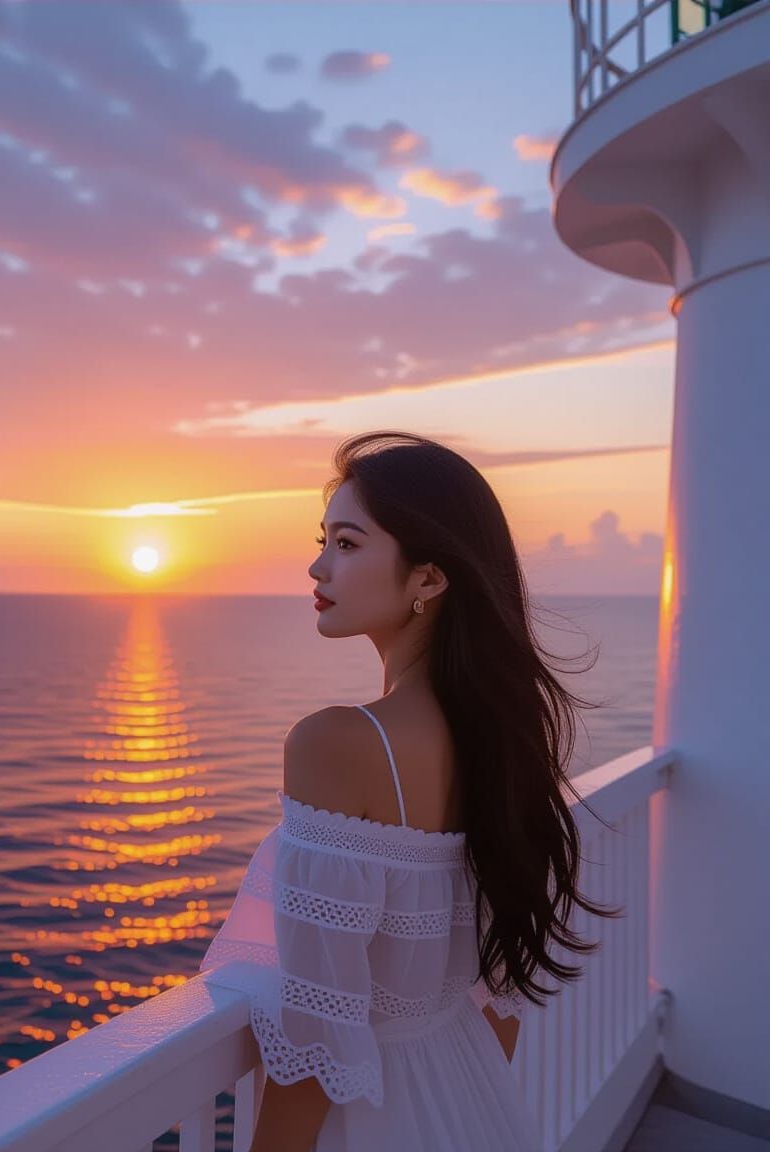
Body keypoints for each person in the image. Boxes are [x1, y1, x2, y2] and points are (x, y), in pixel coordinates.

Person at [199, 430, 622, 1151]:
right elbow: (502, 996)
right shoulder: (500, 740)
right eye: (324, 540)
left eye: (348, 543)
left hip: (369, 1117)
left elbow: (317, 1038)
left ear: (428, 579)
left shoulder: (338, 744)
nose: (317, 564)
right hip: (467, 1094)